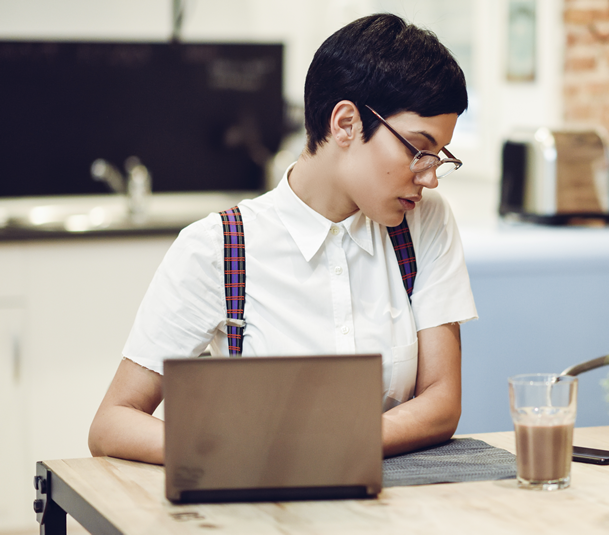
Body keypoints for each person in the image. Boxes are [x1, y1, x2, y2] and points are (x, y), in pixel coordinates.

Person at [88, 13, 477, 464]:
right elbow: (113, 422)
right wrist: (235, 448)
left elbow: (441, 401)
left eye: (439, 157)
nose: (430, 178)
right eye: (417, 150)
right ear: (346, 124)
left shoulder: (424, 224)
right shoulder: (219, 248)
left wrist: (319, 442)